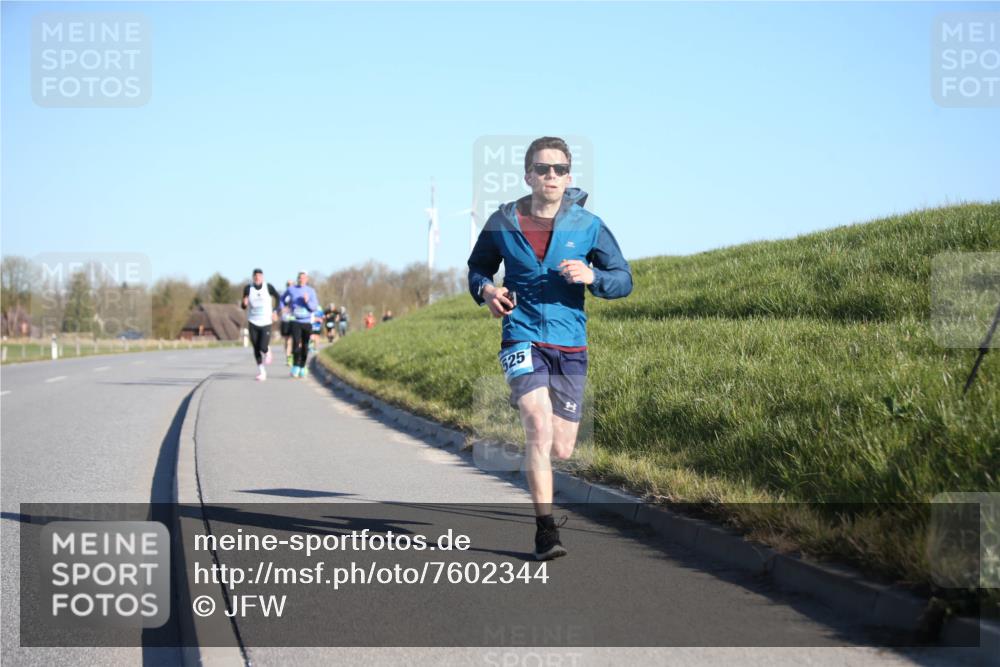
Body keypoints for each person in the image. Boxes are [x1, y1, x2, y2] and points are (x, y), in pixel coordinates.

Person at [467, 136, 633, 560]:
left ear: (569, 176)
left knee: (562, 447)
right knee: (538, 427)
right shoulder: (502, 222)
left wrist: (593, 277)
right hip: (520, 335)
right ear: (528, 175)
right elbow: (478, 268)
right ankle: (545, 531)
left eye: (559, 169)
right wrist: (486, 290)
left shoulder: (589, 225)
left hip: (571, 343)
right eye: (543, 169)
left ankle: (532, 429)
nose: (551, 176)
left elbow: (623, 279)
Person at [241, 268, 281, 381]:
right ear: (253, 277)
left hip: (266, 321)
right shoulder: (248, 288)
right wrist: (244, 304)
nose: (257, 278)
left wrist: (275, 311)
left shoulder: (268, 287)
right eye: (255, 276)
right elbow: (243, 305)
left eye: (259, 276)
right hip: (253, 321)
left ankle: (267, 351)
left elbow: (278, 297)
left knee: (263, 346)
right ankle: (262, 372)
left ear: (262, 277)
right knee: (255, 347)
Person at [279, 271, 320, 378]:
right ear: (297, 279)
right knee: (296, 343)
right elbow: (282, 299)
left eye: (303, 278)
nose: (301, 279)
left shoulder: (311, 291)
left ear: (307, 279)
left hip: (307, 322)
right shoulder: (291, 289)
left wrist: (307, 301)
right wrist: (283, 308)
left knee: (305, 345)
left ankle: (302, 365)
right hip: (295, 321)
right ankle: (296, 365)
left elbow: (314, 307)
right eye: (299, 278)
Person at [280, 279, 295, 365]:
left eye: (291, 284)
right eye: (288, 284)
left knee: (296, 340)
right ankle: (288, 357)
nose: (290, 286)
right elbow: (280, 306)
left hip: (295, 319)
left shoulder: (296, 294)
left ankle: (294, 355)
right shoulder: (283, 295)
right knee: (287, 340)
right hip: (285, 320)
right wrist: (281, 309)